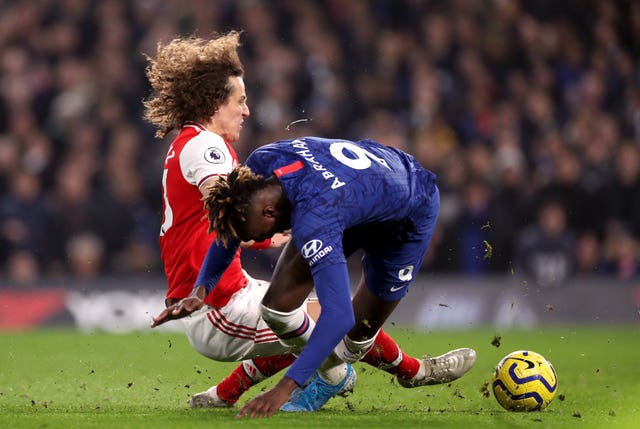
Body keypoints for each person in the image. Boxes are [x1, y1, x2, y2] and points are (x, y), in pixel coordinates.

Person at [146, 32, 475, 412]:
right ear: (214, 103)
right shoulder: (208, 149)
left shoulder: (198, 145)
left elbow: (234, 216)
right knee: (321, 325)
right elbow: (230, 211)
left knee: (305, 319)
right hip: (221, 305)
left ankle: (226, 394)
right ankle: (371, 374)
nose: (247, 110)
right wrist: (253, 246)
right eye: (241, 101)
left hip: (219, 290)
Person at [159, 136, 476, 417]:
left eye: (257, 235)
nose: (261, 240)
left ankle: (409, 374)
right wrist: (202, 288)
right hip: (351, 194)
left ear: (269, 214)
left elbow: (338, 316)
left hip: (408, 208)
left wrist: (285, 386)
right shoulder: (259, 167)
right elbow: (231, 233)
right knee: (276, 307)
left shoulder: (314, 221)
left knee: (353, 344)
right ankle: (324, 377)